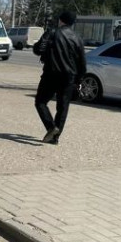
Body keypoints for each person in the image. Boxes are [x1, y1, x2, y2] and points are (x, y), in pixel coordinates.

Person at [32, 10, 87, 145]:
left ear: (61, 20)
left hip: (51, 74)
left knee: (40, 102)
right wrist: (78, 80)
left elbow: (38, 49)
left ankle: (51, 128)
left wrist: (38, 46)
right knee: (63, 107)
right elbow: (82, 64)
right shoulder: (78, 38)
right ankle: (55, 138)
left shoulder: (52, 32)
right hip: (69, 77)